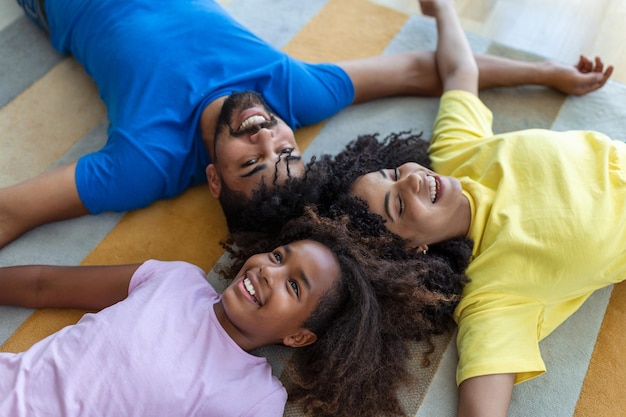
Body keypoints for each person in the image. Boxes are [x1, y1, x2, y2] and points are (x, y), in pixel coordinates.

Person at [235, 0, 622, 416]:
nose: (414, 179)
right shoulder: (495, 292)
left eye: (395, 172)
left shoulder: (457, 154)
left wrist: (445, 13)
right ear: (414, 249)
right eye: (400, 204)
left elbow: (460, 72)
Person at [0, 0, 613, 249]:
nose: (267, 135)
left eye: (250, 161)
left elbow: (11, 211)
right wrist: (549, 73)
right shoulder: (293, 95)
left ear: (213, 179)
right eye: (285, 155)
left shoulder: (145, 162)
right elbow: (418, 70)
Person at [0, 207, 471, 417]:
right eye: (279, 255)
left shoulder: (254, 399)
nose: (269, 270)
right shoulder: (173, 280)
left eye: (293, 284)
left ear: (299, 336)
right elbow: (48, 283)